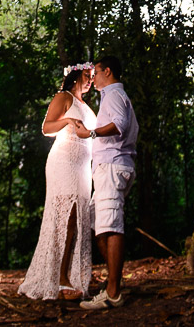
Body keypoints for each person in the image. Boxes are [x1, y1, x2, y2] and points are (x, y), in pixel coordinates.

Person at [17, 62, 96, 300]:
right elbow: (47, 128)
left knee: (77, 222)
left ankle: (68, 275)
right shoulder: (64, 97)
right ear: (75, 76)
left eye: (92, 76)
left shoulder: (86, 106)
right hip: (64, 162)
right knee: (66, 217)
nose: (91, 80)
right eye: (87, 75)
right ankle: (59, 278)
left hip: (83, 168)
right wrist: (68, 122)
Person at [73, 55, 139, 311]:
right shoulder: (114, 96)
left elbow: (119, 125)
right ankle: (114, 281)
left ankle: (113, 293)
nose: (94, 78)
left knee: (111, 226)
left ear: (108, 72)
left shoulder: (113, 95)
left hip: (112, 166)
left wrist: (90, 133)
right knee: (95, 222)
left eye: (97, 73)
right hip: (109, 168)